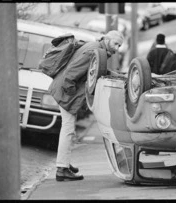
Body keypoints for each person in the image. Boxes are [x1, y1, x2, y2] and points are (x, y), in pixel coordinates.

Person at [48, 30, 124, 181]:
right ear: (107, 40)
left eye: (120, 45)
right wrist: (71, 96)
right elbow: (71, 73)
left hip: (63, 90)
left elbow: (98, 70)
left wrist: (118, 76)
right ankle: (62, 169)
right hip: (65, 92)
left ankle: (64, 163)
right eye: (116, 44)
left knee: (68, 129)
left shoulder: (97, 49)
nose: (117, 49)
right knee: (68, 129)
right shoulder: (95, 51)